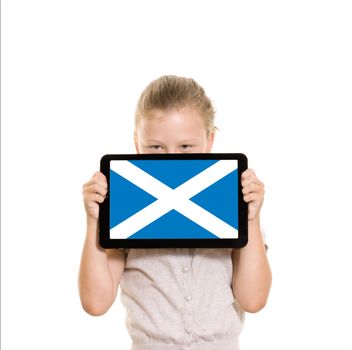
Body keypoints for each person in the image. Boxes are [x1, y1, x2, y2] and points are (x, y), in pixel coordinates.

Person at [79, 75, 272, 350]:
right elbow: (95, 303)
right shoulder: (123, 207)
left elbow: (253, 300)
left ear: (209, 140)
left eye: (186, 147)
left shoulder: (232, 203)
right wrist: (93, 221)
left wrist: (251, 219)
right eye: (155, 147)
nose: (171, 157)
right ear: (137, 143)